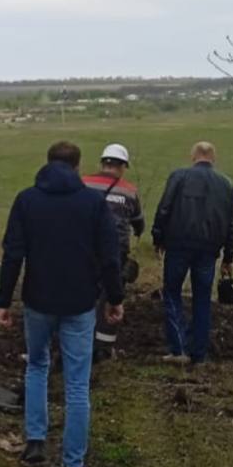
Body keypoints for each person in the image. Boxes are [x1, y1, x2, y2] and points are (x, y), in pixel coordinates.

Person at [0, 141, 124, 467]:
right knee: (77, 385)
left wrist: (3, 300)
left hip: (38, 299)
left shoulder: (27, 200)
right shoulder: (93, 204)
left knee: (37, 365)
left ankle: (35, 442)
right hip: (81, 303)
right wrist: (115, 298)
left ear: (48, 162)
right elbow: (110, 258)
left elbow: (12, 254)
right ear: (78, 166)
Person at [151, 141, 233, 366]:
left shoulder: (179, 177)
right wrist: (228, 257)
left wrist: (158, 238)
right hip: (209, 250)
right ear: (213, 158)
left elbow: (164, 209)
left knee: (172, 293)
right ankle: (198, 353)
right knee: (202, 299)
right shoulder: (227, 185)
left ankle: (179, 348)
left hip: (178, 245)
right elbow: (232, 224)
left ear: (193, 156)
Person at [82, 143, 144, 360]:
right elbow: (138, 222)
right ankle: (103, 348)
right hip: (115, 252)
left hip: (85, 249)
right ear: (122, 166)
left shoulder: (84, 183)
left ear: (102, 163)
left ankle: (79, 340)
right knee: (110, 296)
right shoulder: (129, 190)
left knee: (84, 294)